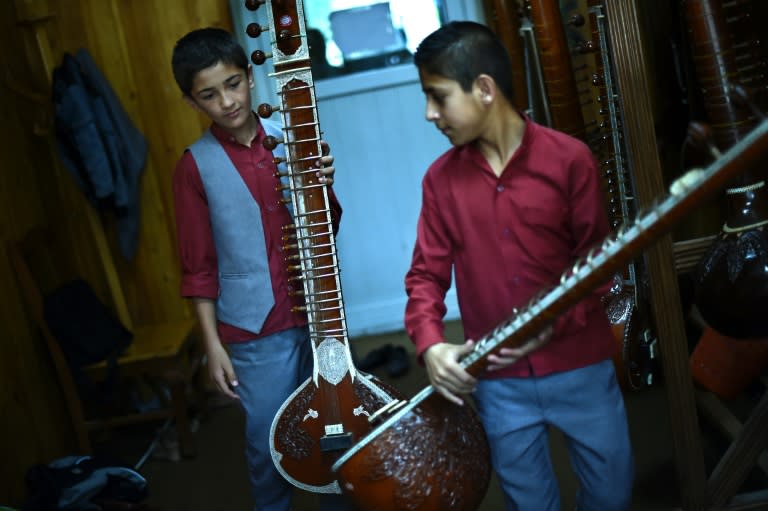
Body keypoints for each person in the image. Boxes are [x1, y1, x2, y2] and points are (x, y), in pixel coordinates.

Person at [404, 21, 635, 511]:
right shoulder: (439, 181)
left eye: (438, 97)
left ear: (484, 89)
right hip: (498, 381)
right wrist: (430, 346)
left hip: (581, 366)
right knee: (527, 503)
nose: (429, 114)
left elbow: (599, 265)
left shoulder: (569, 160)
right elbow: (425, 275)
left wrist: (556, 323)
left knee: (612, 493)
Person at [170, 27, 348, 511]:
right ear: (191, 102)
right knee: (268, 442)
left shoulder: (291, 137)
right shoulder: (195, 167)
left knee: (335, 434)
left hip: (318, 314)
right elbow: (197, 268)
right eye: (208, 94)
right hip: (253, 330)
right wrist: (212, 346)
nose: (226, 101)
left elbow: (327, 226)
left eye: (233, 84)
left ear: (250, 77)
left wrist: (323, 185)